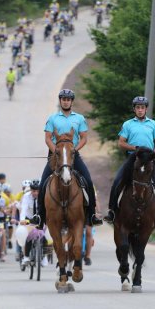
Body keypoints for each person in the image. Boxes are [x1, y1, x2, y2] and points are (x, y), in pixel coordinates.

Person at [36, 89, 103, 229]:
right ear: (60, 101)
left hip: (73, 154)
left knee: (88, 181)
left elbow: (84, 138)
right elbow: (48, 138)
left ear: (72, 101)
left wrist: (73, 150)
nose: (66, 101)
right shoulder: (52, 118)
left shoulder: (79, 118)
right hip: (56, 156)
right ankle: (39, 216)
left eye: (68, 99)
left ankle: (91, 215)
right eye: (63, 99)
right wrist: (57, 152)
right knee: (43, 183)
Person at [103, 96, 155, 227]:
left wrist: (153, 153)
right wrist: (135, 148)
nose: (140, 110)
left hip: (149, 159)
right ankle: (112, 212)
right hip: (133, 158)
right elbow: (121, 143)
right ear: (134, 109)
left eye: (142, 108)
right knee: (117, 181)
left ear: (146, 109)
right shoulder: (128, 124)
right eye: (138, 108)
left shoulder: (153, 124)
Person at [16, 180, 48, 267]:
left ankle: (44, 257)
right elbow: (24, 209)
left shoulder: (44, 196)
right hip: (28, 219)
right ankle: (26, 257)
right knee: (29, 236)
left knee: (46, 238)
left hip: (40, 218)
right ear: (31, 190)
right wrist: (22, 220)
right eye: (34, 191)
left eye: (38, 191)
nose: (36, 193)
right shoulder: (26, 197)